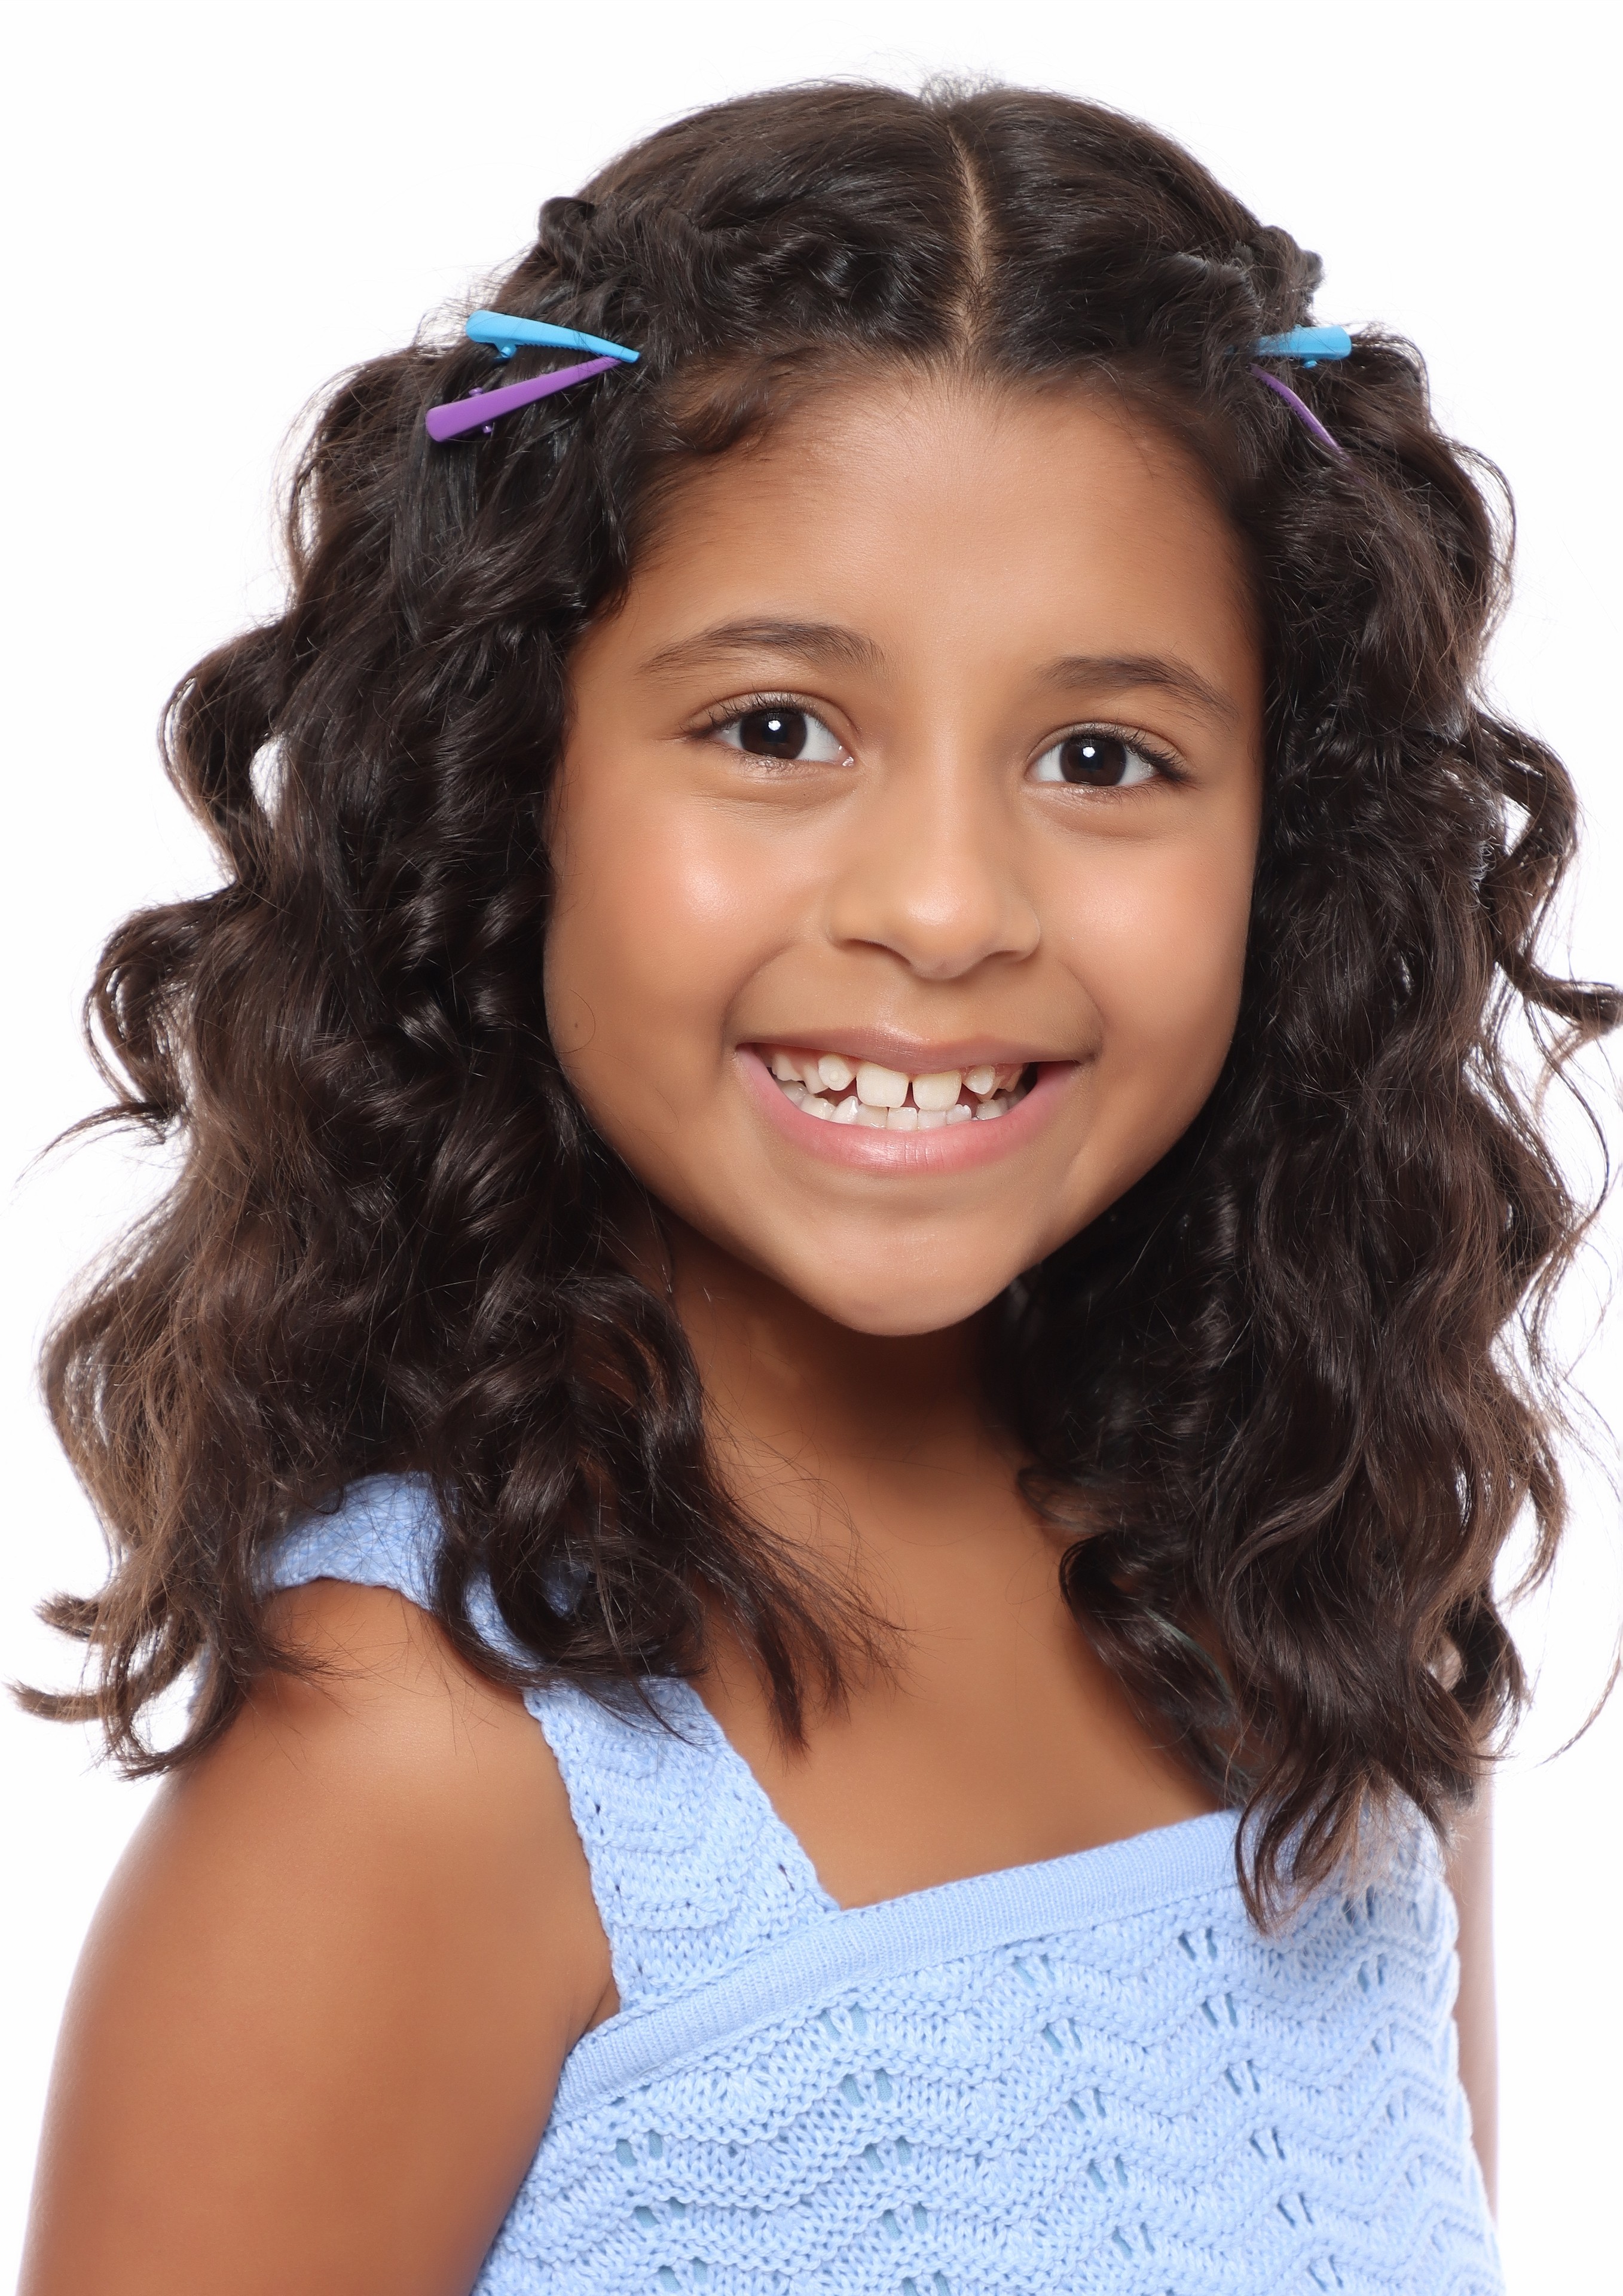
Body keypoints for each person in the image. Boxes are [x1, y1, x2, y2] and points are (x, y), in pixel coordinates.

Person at [17, 80, 1614, 2296]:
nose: (943, 907)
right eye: (774, 729)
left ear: (1294, 850)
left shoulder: (1329, 1604)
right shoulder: (422, 1768)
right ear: (512, 785)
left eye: (1102, 757)